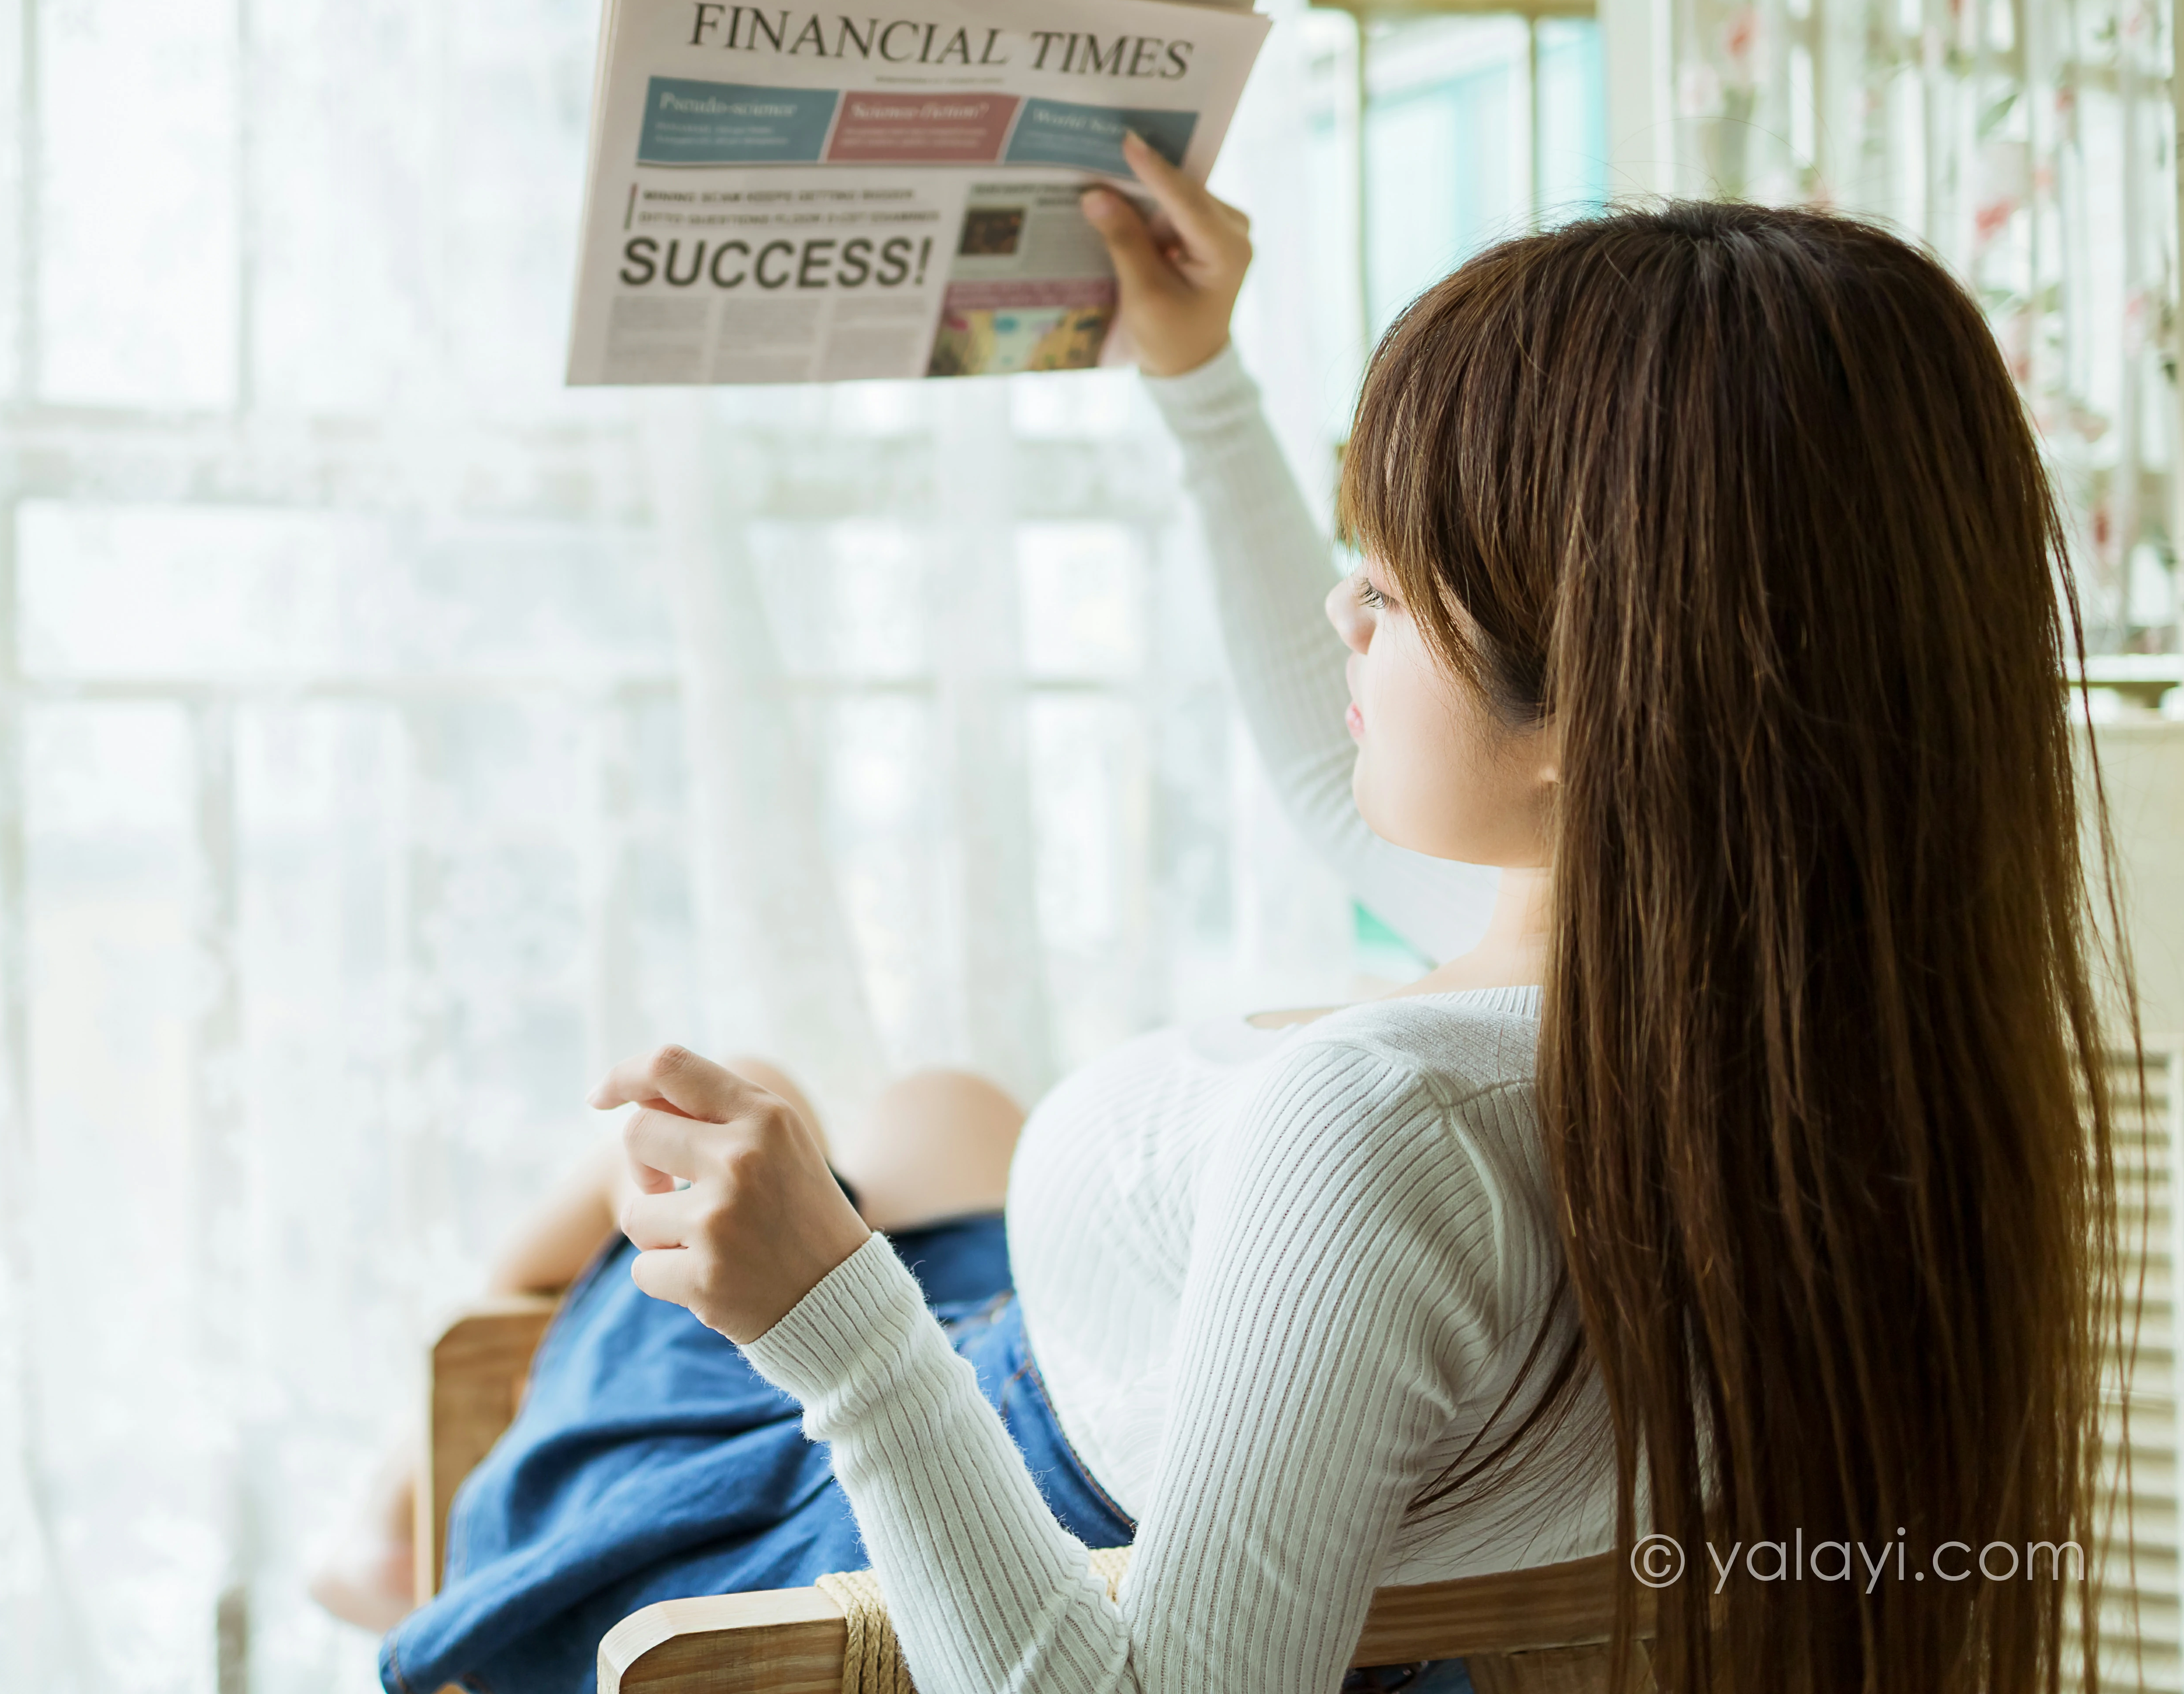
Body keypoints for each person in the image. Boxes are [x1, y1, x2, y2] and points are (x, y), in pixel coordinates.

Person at [334, 141, 2133, 1694]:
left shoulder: (1391, 1131)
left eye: (1403, 588)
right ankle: (411, 1501)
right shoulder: (1768, 1000)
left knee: (691, 1130)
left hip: (939, 1534)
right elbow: (1316, 748)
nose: (1352, 614)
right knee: (940, 1101)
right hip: (1089, 1393)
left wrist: (837, 1319)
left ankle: (411, 1532)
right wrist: (1197, 373)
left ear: (1602, 707)